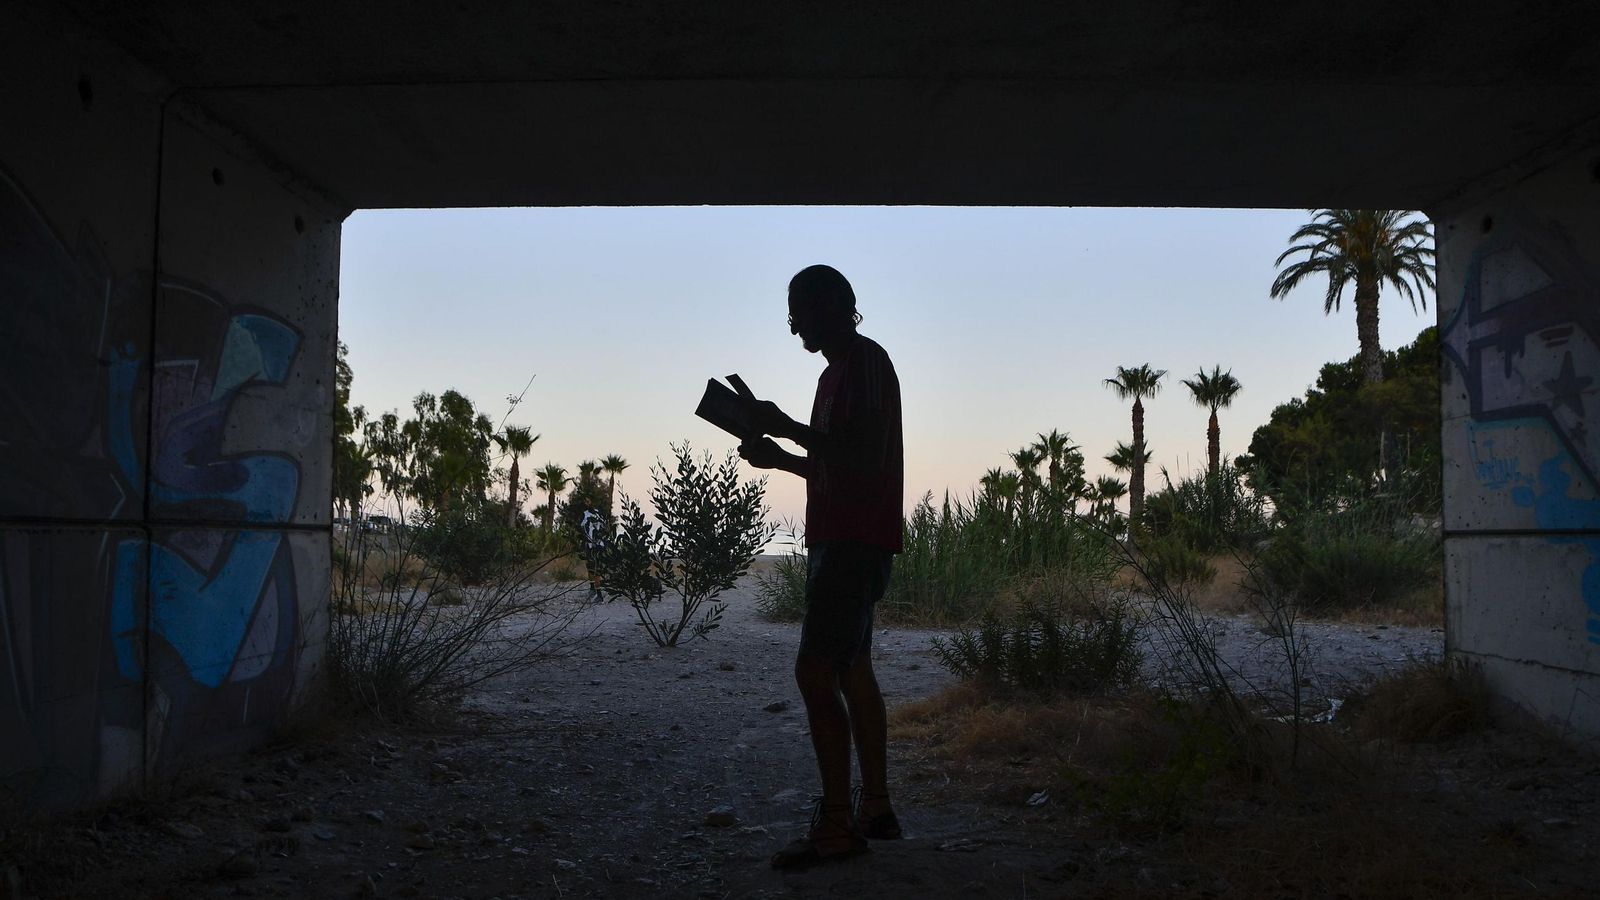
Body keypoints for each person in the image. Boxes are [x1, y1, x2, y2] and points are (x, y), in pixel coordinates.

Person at [737, 264, 904, 869]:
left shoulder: (864, 364)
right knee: (853, 669)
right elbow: (836, 462)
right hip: (844, 538)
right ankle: (875, 808)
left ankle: (836, 826)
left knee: (814, 673)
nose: (794, 325)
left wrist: (783, 426)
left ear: (834, 306)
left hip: (852, 541)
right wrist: (780, 456)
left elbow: (861, 457)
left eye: (801, 310)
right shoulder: (836, 374)